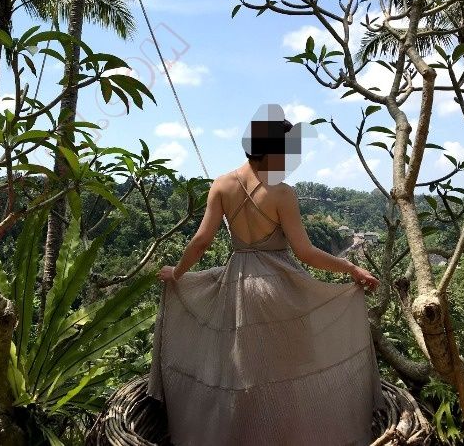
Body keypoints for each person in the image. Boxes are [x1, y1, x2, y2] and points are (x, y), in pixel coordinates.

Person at [146, 114, 386, 446]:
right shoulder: (282, 193)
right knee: (289, 374)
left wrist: (177, 273)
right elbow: (305, 253)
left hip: (237, 288)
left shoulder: (222, 185)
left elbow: (200, 242)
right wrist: (349, 268)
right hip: (280, 288)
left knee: (243, 375)